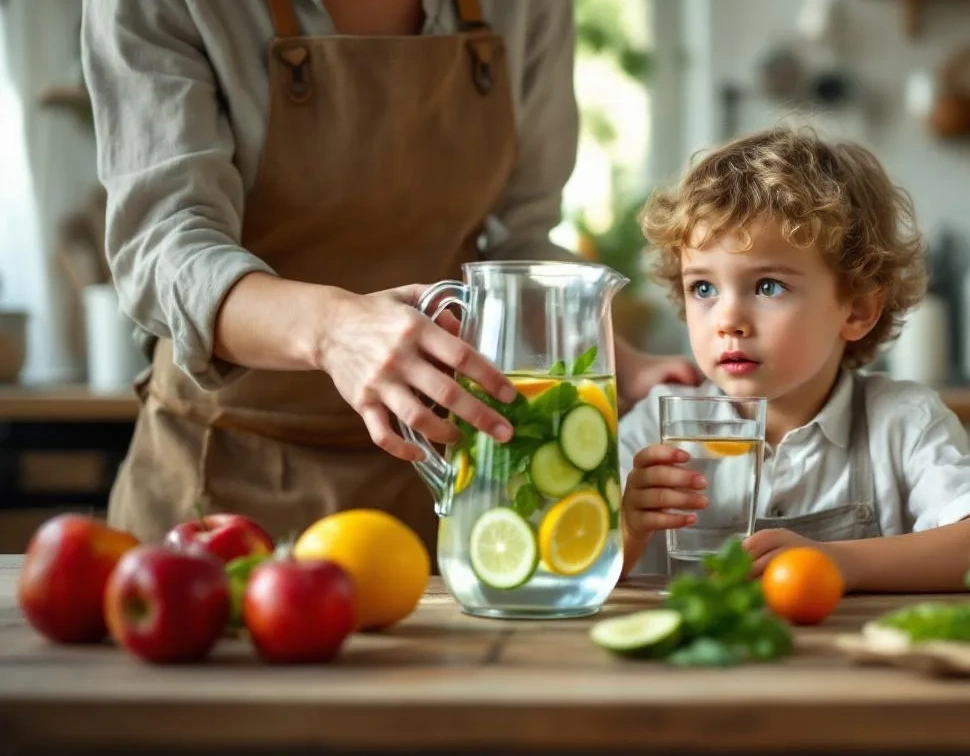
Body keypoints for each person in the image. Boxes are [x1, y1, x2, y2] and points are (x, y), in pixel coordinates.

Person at [81, 0, 696, 552]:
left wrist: (616, 353)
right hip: (221, 485)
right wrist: (333, 329)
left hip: (444, 476)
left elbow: (523, 240)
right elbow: (164, 249)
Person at [617, 127, 970, 593]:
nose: (727, 320)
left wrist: (838, 560)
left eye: (768, 286)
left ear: (858, 309)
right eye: (703, 288)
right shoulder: (657, 429)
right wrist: (627, 528)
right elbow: (561, 565)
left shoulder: (902, 423)